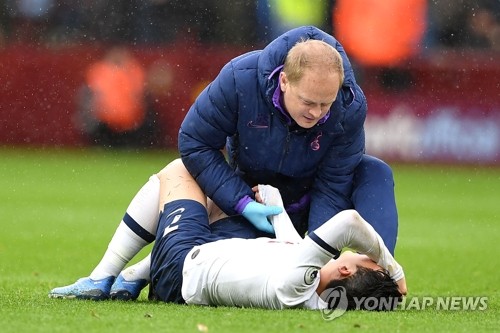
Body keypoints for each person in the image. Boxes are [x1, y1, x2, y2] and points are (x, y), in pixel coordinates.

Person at [49, 159, 406, 309]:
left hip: (183, 264)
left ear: (346, 270)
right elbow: (290, 244)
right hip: (194, 271)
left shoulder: (296, 282)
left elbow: (349, 222)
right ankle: (133, 277)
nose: (368, 256)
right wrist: (275, 202)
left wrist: (394, 269)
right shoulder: (309, 288)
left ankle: (103, 277)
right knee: (219, 201)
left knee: (181, 170)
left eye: (367, 261)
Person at [178, 26, 400, 255]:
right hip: (253, 200)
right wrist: (242, 202)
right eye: (308, 102)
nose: (316, 113)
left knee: (375, 171)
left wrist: (317, 253)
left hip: (308, 201)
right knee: (227, 266)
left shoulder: (348, 105)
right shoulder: (238, 80)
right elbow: (195, 142)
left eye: (325, 104)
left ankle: (377, 274)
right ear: (284, 81)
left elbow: (334, 184)